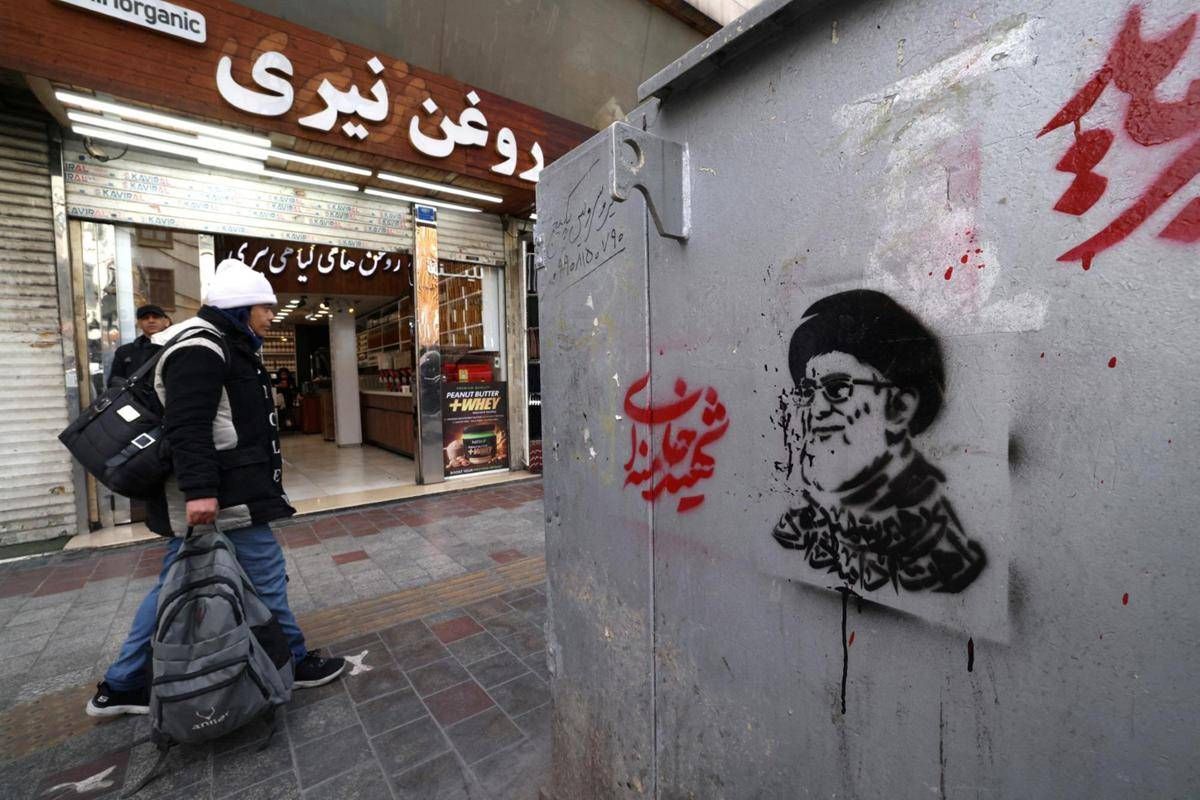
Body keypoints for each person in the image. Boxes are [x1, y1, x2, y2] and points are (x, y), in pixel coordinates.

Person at [87, 258, 345, 717]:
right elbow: (189, 426)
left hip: (227, 490)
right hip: (224, 495)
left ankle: (122, 684)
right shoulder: (200, 348)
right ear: (241, 308)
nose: (271, 316)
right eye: (265, 308)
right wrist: (200, 492)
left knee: (173, 585)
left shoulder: (220, 342)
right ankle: (293, 660)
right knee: (265, 574)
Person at [771, 290, 986, 594]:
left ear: (900, 407)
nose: (815, 410)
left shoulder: (938, 556)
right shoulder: (804, 526)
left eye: (837, 389)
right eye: (807, 392)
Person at [106, 304, 171, 387]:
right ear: (139, 324)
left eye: (156, 317)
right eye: (145, 318)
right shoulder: (124, 352)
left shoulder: (177, 347)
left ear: (166, 322)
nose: (151, 320)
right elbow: (114, 383)